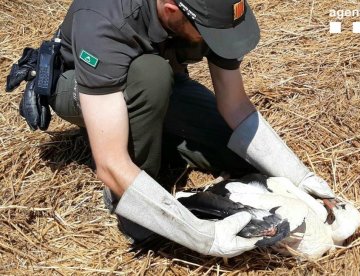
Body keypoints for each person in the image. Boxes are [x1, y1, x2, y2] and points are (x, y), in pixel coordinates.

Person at [43, 0, 336, 258]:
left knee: (242, 155)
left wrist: (298, 175)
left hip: (160, 85)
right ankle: (131, 199)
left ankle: (156, 133)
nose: (217, 42)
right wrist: (201, 236)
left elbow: (235, 106)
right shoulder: (103, 18)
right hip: (86, 89)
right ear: (171, 10)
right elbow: (110, 163)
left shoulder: (210, 12)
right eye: (209, 35)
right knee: (150, 75)